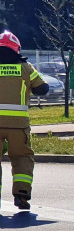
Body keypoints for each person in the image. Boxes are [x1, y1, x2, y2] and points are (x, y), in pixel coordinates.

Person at [0, 30, 48, 211]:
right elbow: (42, 88)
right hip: (18, 126)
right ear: (16, 48)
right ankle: (21, 194)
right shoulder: (26, 67)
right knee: (21, 158)